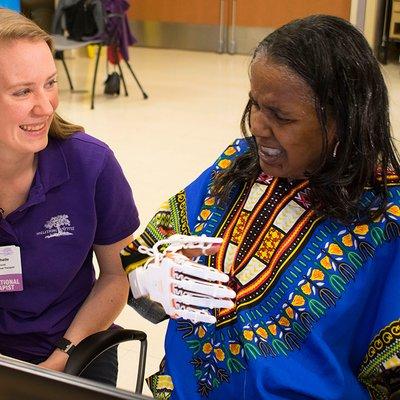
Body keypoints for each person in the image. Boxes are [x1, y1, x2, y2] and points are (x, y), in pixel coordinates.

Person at [121, 14, 400, 400]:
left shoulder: (386, 219)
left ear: (343, 120)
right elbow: (137, 259)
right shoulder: (234, 168)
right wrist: (150, 279)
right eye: (254, 104)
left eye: (282, 117)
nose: (257, 125)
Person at [0, 8, 139, 386]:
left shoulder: (91, 164)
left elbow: (119, 274)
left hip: (72, 349)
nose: (45, 106)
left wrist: (61, 357)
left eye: (50, 83)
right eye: (22, 91)